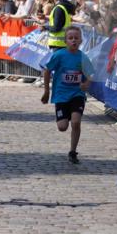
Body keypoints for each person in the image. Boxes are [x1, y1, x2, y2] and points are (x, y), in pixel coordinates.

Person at [40, 24, 94, 164]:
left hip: (77, 94)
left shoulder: (83, 57)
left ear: (81, 41)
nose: (73, 41)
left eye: (76, 38)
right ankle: (66, 113)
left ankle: (72, 151)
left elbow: (90, 75)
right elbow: (47, 70)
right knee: (62, 127)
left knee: (76, 122)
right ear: (65, 41)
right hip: (61, 95)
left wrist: (86, 84)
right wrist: (46, 91)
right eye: (70, 38)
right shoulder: (59, 55)